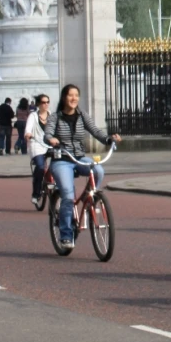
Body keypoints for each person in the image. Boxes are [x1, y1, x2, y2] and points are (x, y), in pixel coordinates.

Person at [44, 84, 122, 249]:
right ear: (64, 97)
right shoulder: (55, 117)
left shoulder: (82, 116)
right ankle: (65, 234)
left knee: (98, 170)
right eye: (70, 95)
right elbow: (48, 133)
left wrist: (109, 139)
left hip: (79, 157)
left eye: (76, 95)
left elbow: (95, 131)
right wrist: (51, 139)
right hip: (62, 160)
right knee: (67, 195)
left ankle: (90, 199)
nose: (74, 99)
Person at [25, 94, 50, 205]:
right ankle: (36, 193)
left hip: (50, 144)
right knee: (40, 166)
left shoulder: (52, 116)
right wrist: (28, 134)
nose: (46, 104)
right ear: (39, 104)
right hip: (36, 144)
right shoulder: (33, 116)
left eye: (47, 102)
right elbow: (28, 129)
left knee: (61, 163)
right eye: (43, 102)